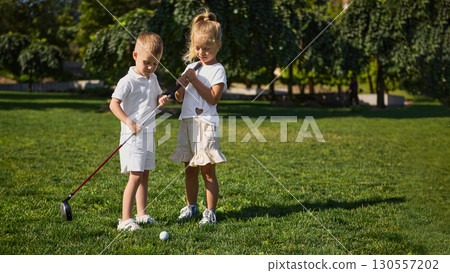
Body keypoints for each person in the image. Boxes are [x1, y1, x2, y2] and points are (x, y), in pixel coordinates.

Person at [170, 10, 227, 226]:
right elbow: (179, 97)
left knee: (208, 170)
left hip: (205, 125)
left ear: (218, 46)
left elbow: (213, 98)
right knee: (189, 169)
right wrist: (180, 87)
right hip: (187, 123)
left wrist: (194, 80)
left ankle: (210, 212)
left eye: (207, 49)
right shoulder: (191, 67)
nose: (201, 53)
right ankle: (191, 206)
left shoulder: (218, 71)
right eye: (197, 48)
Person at [110, 32, 169, 231]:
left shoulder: (152, 79)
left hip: (148, 133)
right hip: (132, 135)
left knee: (144, 174)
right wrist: (129, 122)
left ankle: (141, 213)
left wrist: (161, 99)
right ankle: (125, 219)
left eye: (155, 64)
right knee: (135, 175)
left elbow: (155, 97)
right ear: (135, 56)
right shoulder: (127, 80)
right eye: (147, 63)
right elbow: (114, 104)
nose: (151, 68)